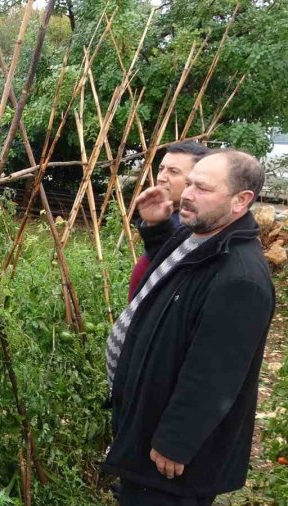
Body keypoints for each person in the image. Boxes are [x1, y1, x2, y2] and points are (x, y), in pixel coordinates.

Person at [104, 149, 275, 504]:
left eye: (203, 188)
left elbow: (214, 375)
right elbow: (169, 280)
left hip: (170, 462)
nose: (188, 194)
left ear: (241, 201)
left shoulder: (239, 277)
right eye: (191, 183)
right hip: (147, 421)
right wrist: (156, 228)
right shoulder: (199, 237)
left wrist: (175, 442)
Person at [127, 142, 209, 300]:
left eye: (173, 171)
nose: (161, 178)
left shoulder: (196, 225)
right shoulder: (170, 213)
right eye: (161, 169)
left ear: (196, 179)